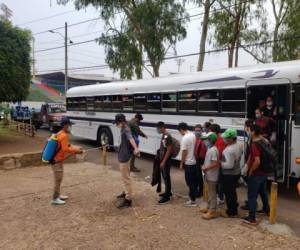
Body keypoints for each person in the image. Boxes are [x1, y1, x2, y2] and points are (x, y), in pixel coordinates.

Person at [51, 117, 82, 205]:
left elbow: (67, 146)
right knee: (58, 179)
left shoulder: (60, 133)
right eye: (69, 125)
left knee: (59, 179)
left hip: (57, 160)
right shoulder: (63, 135)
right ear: (65, 125)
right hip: (56, 161)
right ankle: (55, 198)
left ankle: (58, 195)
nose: (70, 126)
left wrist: (76, 148)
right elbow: (65, 149)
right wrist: (77, 151)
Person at [243, 124, 270, 225]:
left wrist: (250, 171)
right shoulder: (264, 141)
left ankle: (251, 218)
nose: (248, 131)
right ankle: (267, 210)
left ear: (253, 132)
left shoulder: (255, 144)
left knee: (252, 196)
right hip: (264, 172)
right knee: (263, 192)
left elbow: (257, 161)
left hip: (257, 173)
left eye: (249, 130)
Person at [115, 114, 140, 209]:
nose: (116, 124)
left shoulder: (126, 129)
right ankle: (126, 192)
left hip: (125, 157)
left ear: (121, 121)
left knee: (126, 178)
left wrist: (136, 148)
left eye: (117, 122)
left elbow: (131, 139)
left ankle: (128, 199)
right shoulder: (123, 128)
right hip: (123, 155)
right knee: (124, 177)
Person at [220, 128, 242, 218]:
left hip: (229, 174)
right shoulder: (239, 145)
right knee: (232, 192)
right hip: (237, 172)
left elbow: (229, 165)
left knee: (229, 194)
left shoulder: (229, 150)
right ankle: (234, 206)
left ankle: (231, 212)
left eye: (226, 138)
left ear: (232, 138)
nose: (224, 139)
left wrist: (219, 162)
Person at [200, 132, 220, 219]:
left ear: (210, 140)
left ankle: (212, 211)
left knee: (212, 194)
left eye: (206, 140)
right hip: (209, 174)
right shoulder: (210, 148)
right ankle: (209, 207)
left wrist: (205, 168)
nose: (205, 141)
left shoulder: (213, 150)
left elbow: (215, 163)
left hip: (212, 175)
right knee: (209, 192)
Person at [178, 122, 197, 207]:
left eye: (179, 131)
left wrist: (181, 163)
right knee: (193, 181)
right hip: (194, 162)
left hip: (189, 163)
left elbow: (184, 152)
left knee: (190, 182)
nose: (180, 133)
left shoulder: (185, 138)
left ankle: (192, 201)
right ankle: (192, 197)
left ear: (181, 129)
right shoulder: (193, 135)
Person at [157, 121, 173, 204]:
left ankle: (167, 196)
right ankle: (168, 192)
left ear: (162, 128)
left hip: (166, 160)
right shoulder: (164, 135)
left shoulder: (167, 136)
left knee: (166, 176)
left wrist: (163, 161)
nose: (157, 130)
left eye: (158, 128)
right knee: (165, 176)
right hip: (163, 159)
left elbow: (169, 150)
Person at [210, 123, 225, 204]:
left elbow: (219, 153)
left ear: (215, 132)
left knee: (220, 182)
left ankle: (221, 197)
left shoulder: (220, 140)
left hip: (219, 164)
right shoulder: (218, 139)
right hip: (217, 163)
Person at [194, 124, 205, 198]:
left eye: (198, 131)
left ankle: (201, 191)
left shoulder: (204, 139)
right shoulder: (195, 139)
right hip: (197, 160)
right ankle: (199, 189)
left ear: (202, 131)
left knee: (201, 177)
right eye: (196, 131)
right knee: (198, 176)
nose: (197, 132)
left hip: (202, 160)